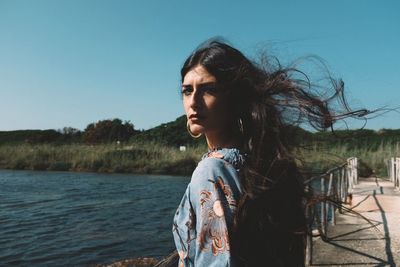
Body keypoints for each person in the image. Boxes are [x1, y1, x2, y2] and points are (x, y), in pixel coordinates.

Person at [171, 39, 368, 267]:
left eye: (209, 90)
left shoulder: (212, 170)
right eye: (187, 91)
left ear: (234, 98)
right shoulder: (258, 163)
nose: (193, 102)